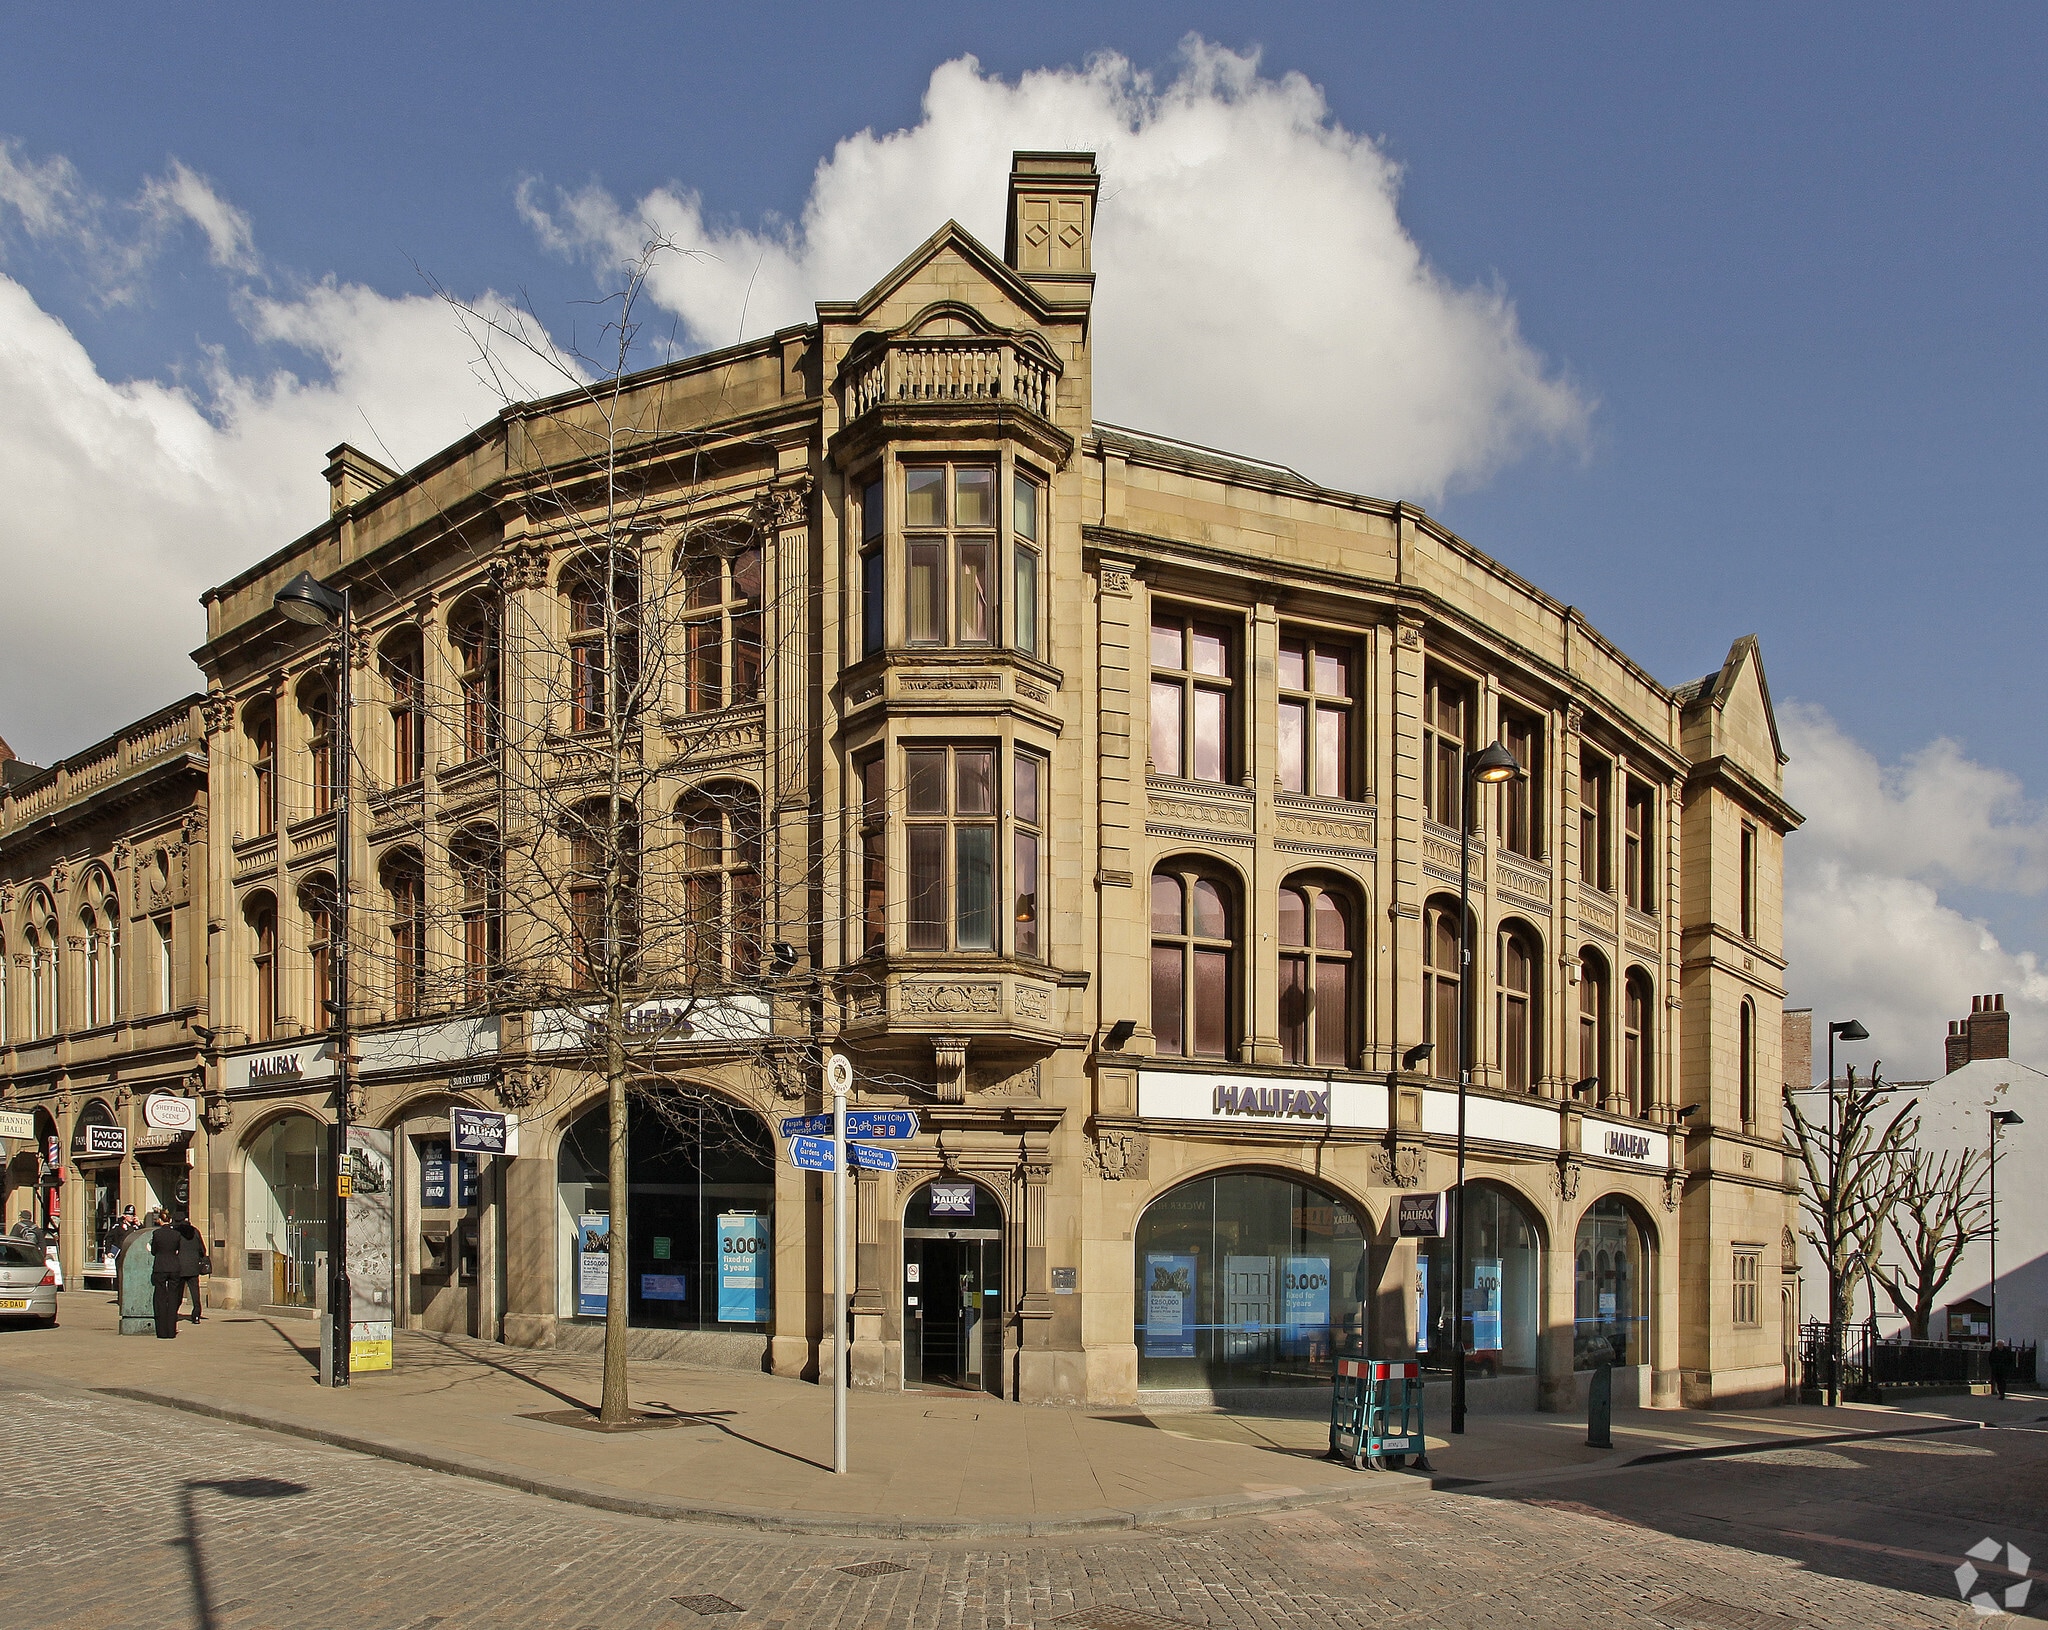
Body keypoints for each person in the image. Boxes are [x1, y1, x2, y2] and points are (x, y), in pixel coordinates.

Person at [147, 1209, 183, 1339]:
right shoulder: (176, 1235)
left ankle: (162, 1331)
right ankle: (171, 1331)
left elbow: (154, 1251)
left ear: (160, 1220)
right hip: (174, 1266)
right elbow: (178, 1249)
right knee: (173, 1298)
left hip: (161, 1266)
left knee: (160, 1297)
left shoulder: (157, 1234)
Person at [174, 1213, 206, 1323]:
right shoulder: (195, 1231)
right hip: (193, 1266)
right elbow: (202, 1249)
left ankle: (174, 1313)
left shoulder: (176, 1233)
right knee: (195, 1293)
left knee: (178, 1293)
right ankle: (196, 1315)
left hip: (180, 1266)